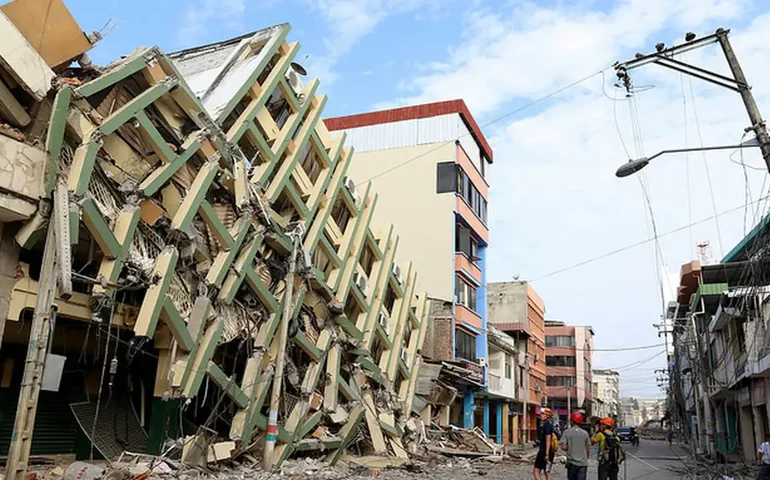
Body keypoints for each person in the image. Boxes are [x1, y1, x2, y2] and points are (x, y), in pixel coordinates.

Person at [561, 412, 590, 480]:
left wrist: (570, 448)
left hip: (572, 463)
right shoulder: (585, 433)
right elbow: (587, 449)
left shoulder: (567, 432)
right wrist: (586, 458)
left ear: (571, 421)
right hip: (583, 464)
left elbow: (563, 447)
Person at [534, 408, 555, 480]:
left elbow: (548, 440)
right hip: (549, 452)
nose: (541, 415)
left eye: (543, 414)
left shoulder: (547, 426)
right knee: (547, 472)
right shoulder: (548, 425)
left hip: (544, 452)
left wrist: (546, 454)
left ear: (547, 415)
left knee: (536, 471)